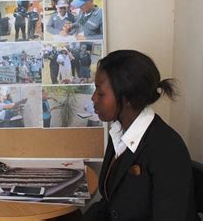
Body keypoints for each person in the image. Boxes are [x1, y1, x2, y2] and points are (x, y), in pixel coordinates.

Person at [84, 50, 197, 221]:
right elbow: (109, 204)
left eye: (100, 93)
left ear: (128, 98)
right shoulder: (118, 132)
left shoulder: (168, 151)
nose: (93, 98)